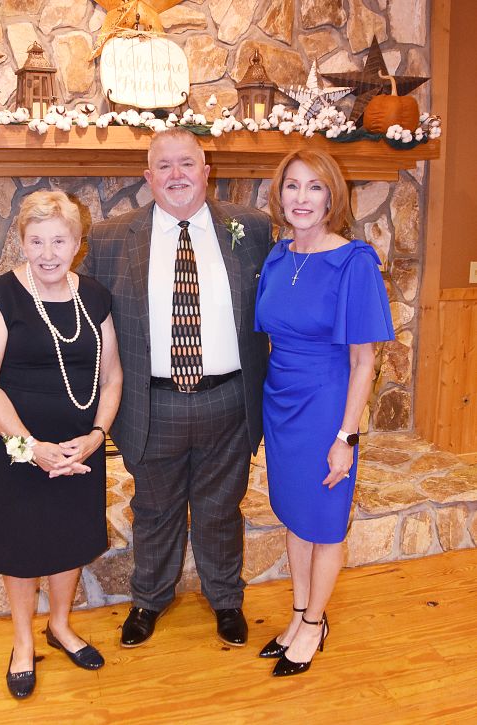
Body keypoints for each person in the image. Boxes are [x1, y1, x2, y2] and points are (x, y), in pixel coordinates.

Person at [81, 127, 271, 648]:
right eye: (164, 166)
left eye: (187, 163)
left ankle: (226, 599)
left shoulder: (251, 228)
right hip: (151, 404)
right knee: (154, 509)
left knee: (220, 509)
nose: (176, 175)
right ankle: (149, 599)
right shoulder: (111, 238)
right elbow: (84, 314)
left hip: (229, 400)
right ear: (148, 177)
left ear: (207, 172)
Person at [0, 190, 122, 699]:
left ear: (77, 244)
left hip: (78, 448)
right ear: (22, 242)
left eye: (59, 240)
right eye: (37, 241)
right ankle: (21, 641)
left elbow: (112, 375)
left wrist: (96, 436)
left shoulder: (94, 297)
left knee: (68, 535)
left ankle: (59, 625)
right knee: (20, 544)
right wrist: (29, 446)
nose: (48, 253)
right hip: (13, 446)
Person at [254, 149, 394, 677]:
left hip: (326, 406)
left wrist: (345, 436)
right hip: (281, 403)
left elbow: (364, 361)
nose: (302, 197)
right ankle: (297, 613)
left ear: (332, 197)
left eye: (315, 187)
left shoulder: (354, 262)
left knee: (326, 523)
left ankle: (315, 623)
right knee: (295, 515)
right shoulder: (277, 256)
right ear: (280, 194)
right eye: (292, 185)